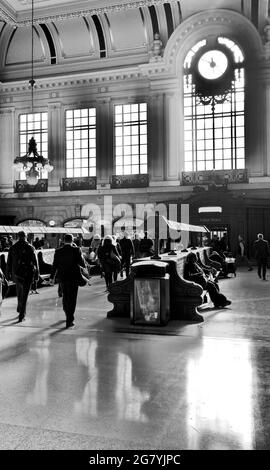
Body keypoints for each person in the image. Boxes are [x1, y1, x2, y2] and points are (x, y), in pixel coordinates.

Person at [49, 233, 87, 328]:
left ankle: (67, 313)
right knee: (72, 298)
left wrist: (51, 278)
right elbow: (82, 263)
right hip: (74, 277)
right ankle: (69, 319)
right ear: (72, 240)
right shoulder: (76, 250)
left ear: (63, 240)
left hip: (62, 278)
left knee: (65, 296)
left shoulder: (58, 251)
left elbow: (54, 266)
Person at [6, 231, 39, 322]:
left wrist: (7, 274)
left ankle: (20, 308)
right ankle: (22, 314)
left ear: (18, 236)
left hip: (16, 274)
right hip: (27, 273)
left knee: (19, 292)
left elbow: (9, 262)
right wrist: (37, 274)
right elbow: (35, 262)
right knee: (25, 295)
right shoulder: (30, 247)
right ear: (26, 236)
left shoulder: (13, 248)